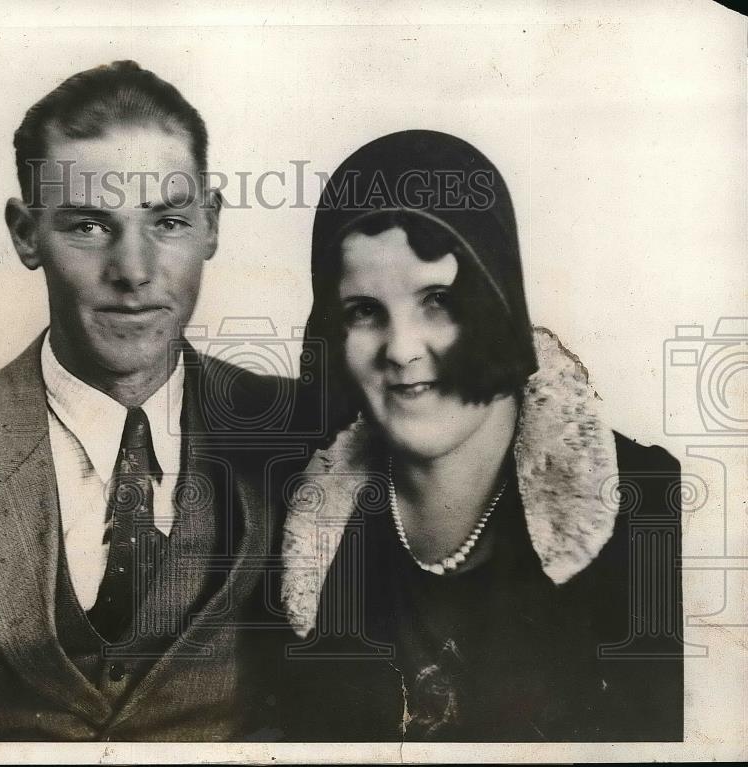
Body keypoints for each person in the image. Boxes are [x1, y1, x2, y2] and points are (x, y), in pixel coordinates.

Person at [0, 60, 292, 741]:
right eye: (89, 226)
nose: (134, 270)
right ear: (25, 234)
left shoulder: (300, 431)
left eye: (169, 221)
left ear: (211, 225)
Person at [279, 130, 684, 741]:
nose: (402, 349)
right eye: (363, 310)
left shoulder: (655, 509)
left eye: (437, 299)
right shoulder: (297, 528)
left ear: (500, 300)